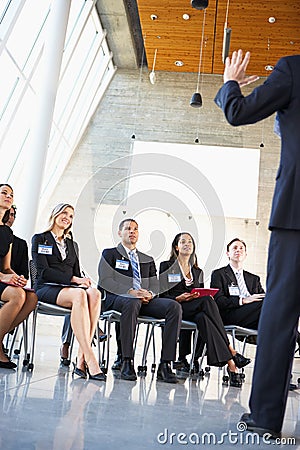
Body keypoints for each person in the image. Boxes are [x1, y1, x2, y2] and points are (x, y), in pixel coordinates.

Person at [214, 49, 300, 438]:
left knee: (279, 318)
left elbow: (239, 113)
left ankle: (266, 417)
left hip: (296, 217)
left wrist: (230, 82)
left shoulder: (293, 68)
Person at [159, 232, 250, 388]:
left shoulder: (197, 271)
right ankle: (231, 352)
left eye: (190, 242)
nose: (187, 244)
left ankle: (231, 365)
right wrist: (179, 298)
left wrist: (195, 296)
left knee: (204, 317)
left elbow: (198, 295)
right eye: (183, 242)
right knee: (207, 302)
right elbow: (162, 294)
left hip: (192, 309)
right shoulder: (166, 266)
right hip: (174, 306)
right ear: (176, 246)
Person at [98, 218, 182, 383]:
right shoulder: (110, 254)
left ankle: (165, 364)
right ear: (119, 233)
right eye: (128, 228)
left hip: (143, 301)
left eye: (135, 229)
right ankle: (127, 360)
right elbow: (105, 281)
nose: (132, 231)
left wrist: (149, 294)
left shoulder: (147, 258)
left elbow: (156, 285)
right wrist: (130, 292)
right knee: (132, 301)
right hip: (117, 299)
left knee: (174, 306)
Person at [31, 203, 105, 381]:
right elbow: (43, 272)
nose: (67, 217)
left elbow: (77, 272)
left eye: (71, 215)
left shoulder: (72, 245)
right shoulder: (40, 238)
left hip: (69, 290)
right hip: (46, 287)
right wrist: (74, 280)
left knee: (95, 294)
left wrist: (83, 281)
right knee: (79, 294)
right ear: (55, 214)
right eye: (64, 213)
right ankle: (90, 358)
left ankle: (80, 359)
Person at [0, 183, 37, 369]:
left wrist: (16, 277)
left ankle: (0, 339)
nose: (8, 196)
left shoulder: (7, 233)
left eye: (11, 194)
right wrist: (2, 277)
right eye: (4, 193)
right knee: (17, 295)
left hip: (1, 279)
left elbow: (6, 267)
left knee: (31, 297)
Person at [210, 238, 264, 332]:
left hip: (254, 317)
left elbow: (262, 297)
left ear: (245, 254)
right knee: (266, 306)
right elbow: (219, 300)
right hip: (231, 315)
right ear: (228, 254)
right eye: (234, 248)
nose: (238, 250)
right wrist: (242, 300)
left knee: (276, 305)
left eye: (241, 248)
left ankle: (293, 337)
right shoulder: (219, 274)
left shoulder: (254, 279)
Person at [5, 205, 29, 279]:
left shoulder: (21, 244)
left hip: (14, 282)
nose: (9, 217)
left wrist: (19, 280)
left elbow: (24, 273)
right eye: (6, 213)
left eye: (12, 215)